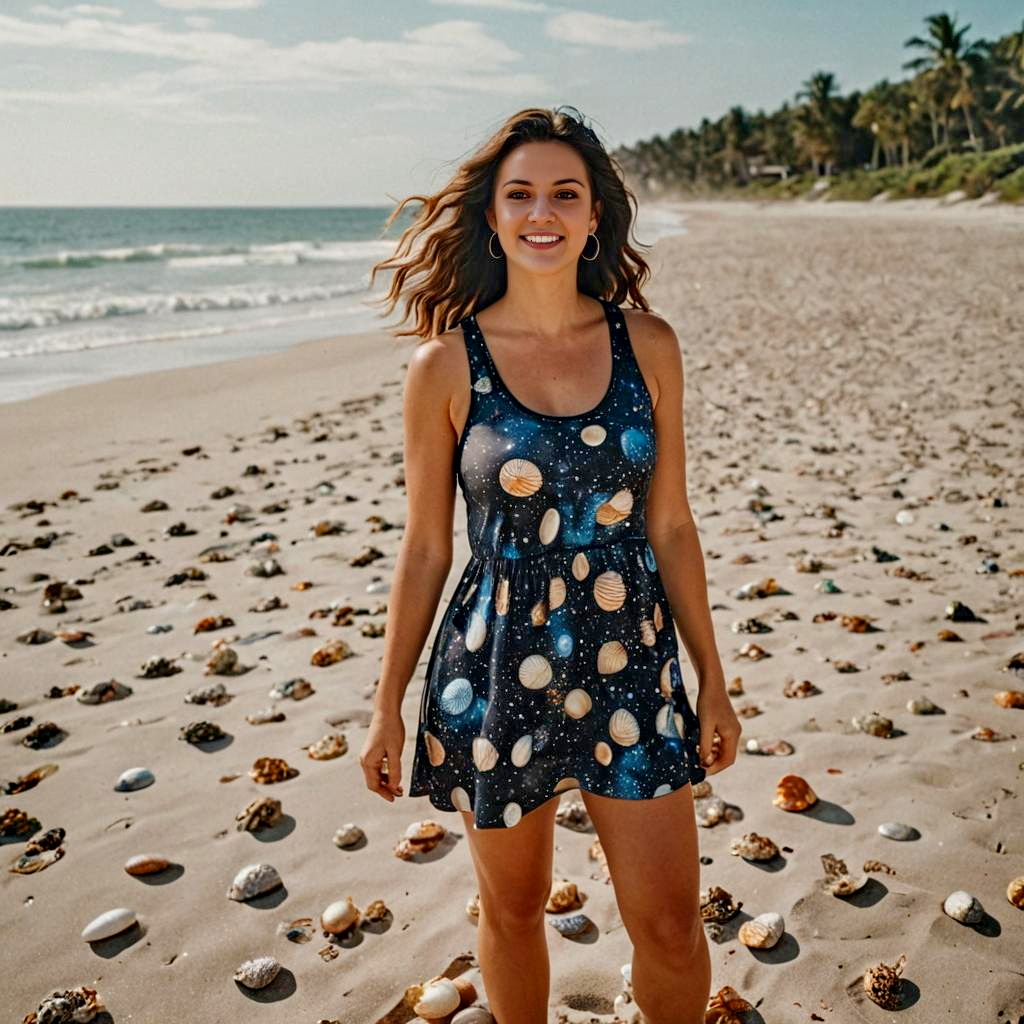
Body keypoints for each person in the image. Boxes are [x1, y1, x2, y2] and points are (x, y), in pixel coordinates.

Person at [360, 105, 741, 1024]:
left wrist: (714, 678)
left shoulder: (646, 344)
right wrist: (385, 702)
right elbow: (424, 547)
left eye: (564, 194)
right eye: (520, 194)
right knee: (515, 906)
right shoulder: (445, 367)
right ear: (491, 216)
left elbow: (673, 526)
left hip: (632, 654)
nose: (543, 212)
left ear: (594, 214)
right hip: (492, 665)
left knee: (672, 925)